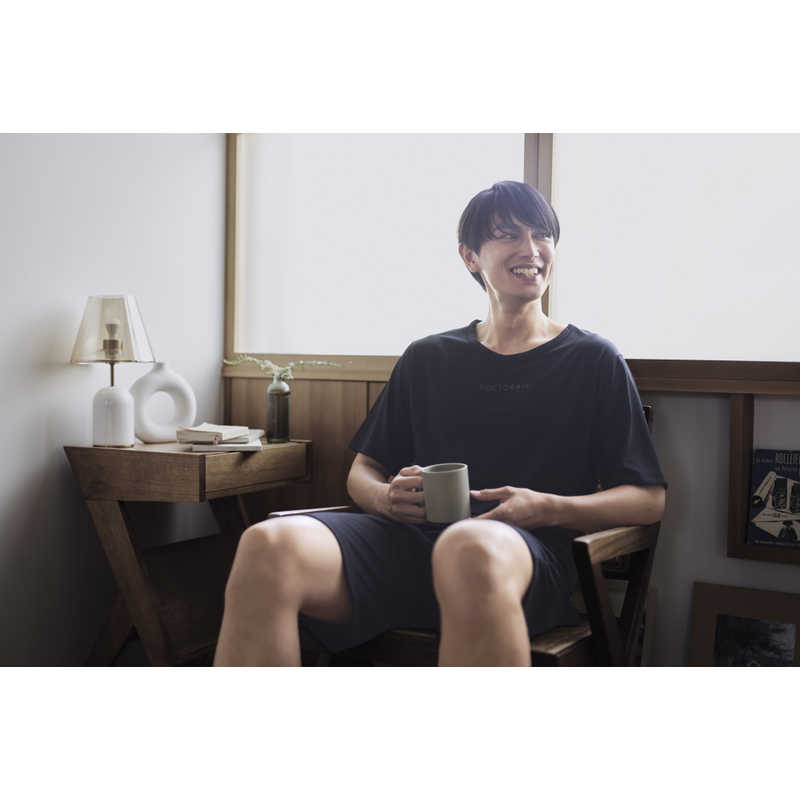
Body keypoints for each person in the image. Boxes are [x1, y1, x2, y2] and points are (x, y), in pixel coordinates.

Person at [213, 180, 667, 666]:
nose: (531, 249)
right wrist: (384, 498)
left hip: (519, 557)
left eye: (542, 235)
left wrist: (545, 508)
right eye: (509, 235)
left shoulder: (593, 359)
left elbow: (648, 499)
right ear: (470, 256)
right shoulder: (429, 356)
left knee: (467, 545)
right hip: (407, 547)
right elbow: (362, 471)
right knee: (268, 543)